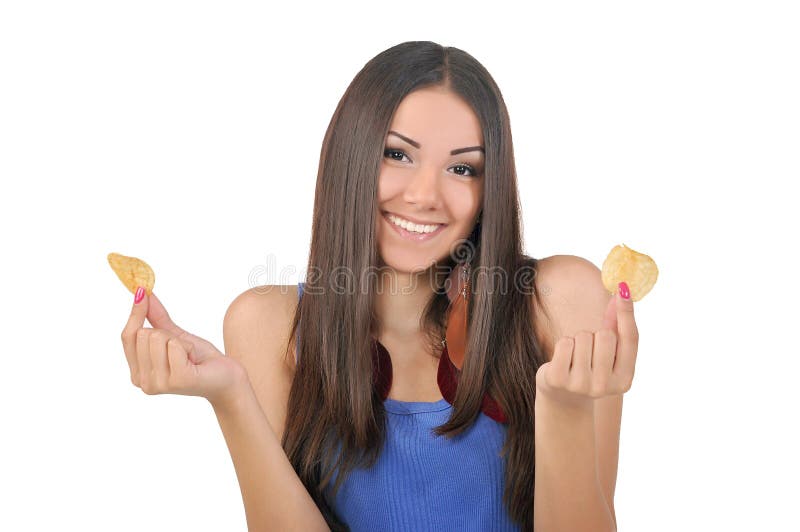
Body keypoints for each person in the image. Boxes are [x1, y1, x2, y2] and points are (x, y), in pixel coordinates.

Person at [119, 41, 637, 532]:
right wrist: (229, 397)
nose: (424, 195)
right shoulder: (269, 324)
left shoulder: (559, 299)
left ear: (488, 188)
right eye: (397, 154)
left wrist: (564, 410)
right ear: (352, 156)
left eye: (462, 167)